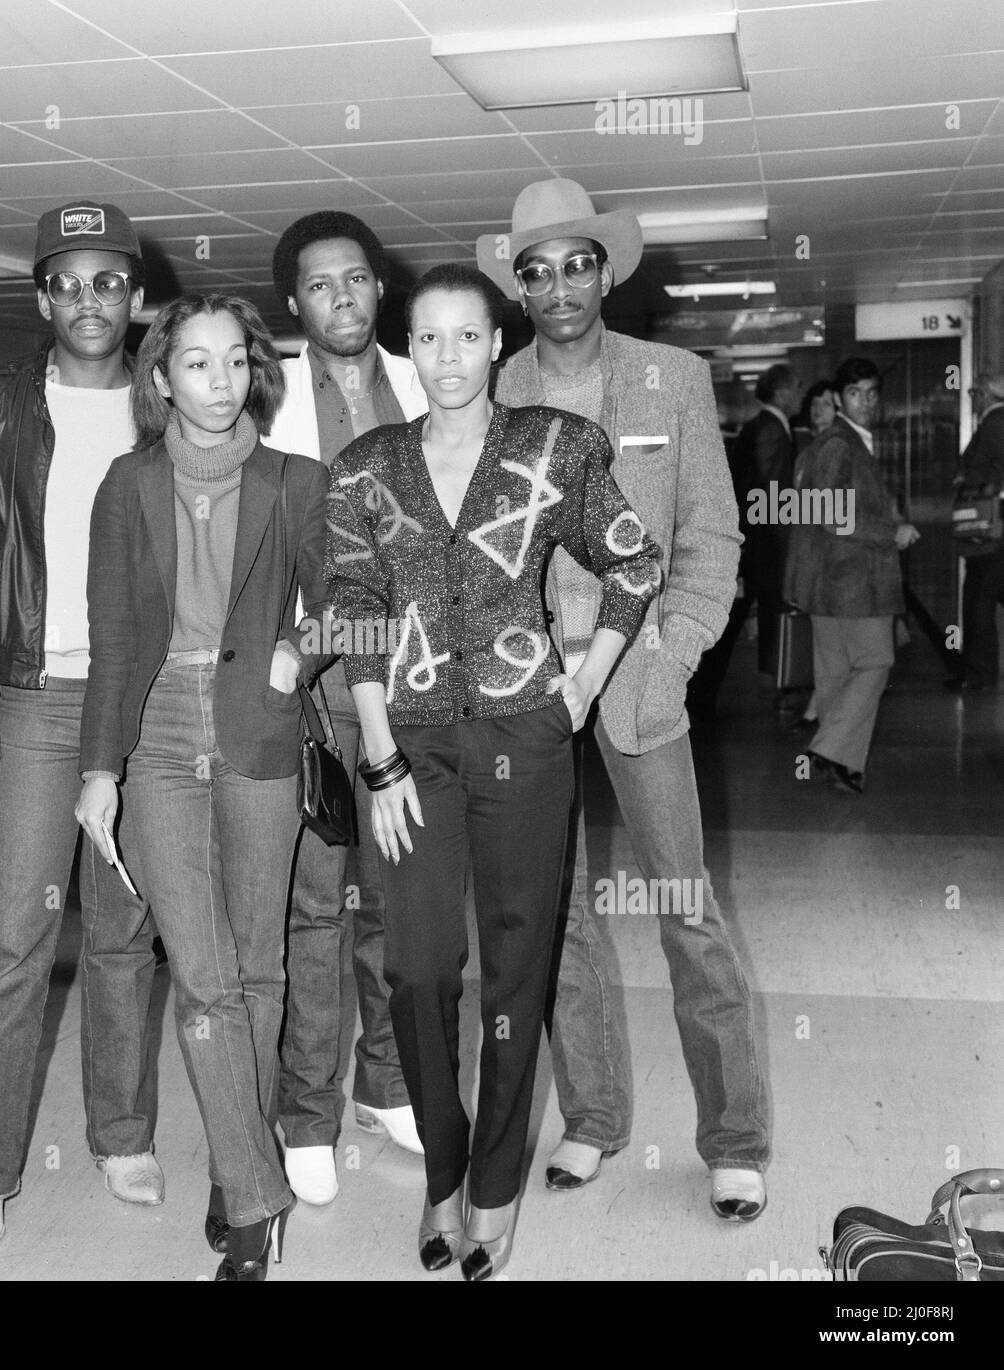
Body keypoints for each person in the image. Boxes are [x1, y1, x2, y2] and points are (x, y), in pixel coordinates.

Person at [326, 263, 662, 1279]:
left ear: (495, 339)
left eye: (466, 337)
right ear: (407, 345)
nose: (447, 359)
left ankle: (494, 1181)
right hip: (413, 745)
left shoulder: (552, 446)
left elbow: (634, 563)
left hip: (525, 734)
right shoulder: (365, 465)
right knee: (419, 968)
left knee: (516, 969)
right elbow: (352, 601)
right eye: (426, 339)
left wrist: (587, 679)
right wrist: (378, 753)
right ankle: (441, 1164)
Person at [479, 178, 772, 1222]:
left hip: (639, 677)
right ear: (516, 285)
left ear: (606, 271)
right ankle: (593, 1117)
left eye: (577, 262)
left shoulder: (673, 378)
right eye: (537, 268)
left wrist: (679, 647)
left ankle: (733, 1138)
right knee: (555, 918)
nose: (559, 285)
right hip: (527, 692)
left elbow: (712, 536)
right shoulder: (493, 387)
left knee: (683, 907)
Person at [77, 292, 331, 1280]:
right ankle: (260, 1199)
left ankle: (238, 1168)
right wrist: (100, 768)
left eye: (234, 362)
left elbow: (351, 600)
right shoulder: (125, 484)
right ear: (161, 377)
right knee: (203, 973)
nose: (218, 382)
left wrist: (294, 656)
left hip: (257, 727)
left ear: (253, 371)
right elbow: (112, 636)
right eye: (196, 363)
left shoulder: (294, 481)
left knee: (259, 967)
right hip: (155, 731)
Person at [0, 201, 161, 1256]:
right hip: (31, 695)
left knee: (125, 930)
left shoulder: (169, 400)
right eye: (65, 282)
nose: (87, 300)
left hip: (148, 699)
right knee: (14, 938)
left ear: (136, 293)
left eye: (107, 280)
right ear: (40, 297)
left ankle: (119, 1134)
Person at [265, 210, 425, 1205]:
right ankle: (305, 1113)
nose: (344, 298)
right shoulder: (266, 392)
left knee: (401, 897)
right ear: (296, 303)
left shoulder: (427, 379)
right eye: (321, 284)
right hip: (309, 681)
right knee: (314, 905)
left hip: (416, 678)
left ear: (379, 287)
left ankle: (390, 1082)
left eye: (358, 279)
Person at [784, 357, 919, 792]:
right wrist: (890, 531)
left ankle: (843, 766)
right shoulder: (842, 444)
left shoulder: (835, 443)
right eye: (856, 393)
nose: (866, 402)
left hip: (828, 583)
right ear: (840, 398)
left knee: (836, 673)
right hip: (855, 580)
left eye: (872, 392)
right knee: (877, 661)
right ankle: (828, 747)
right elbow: (830, 513)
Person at [732, 364, 801, 687]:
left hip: (759, 538)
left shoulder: (764, 426)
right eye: (796, 388)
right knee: (771, 605)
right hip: (768, 540)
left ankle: (779, 672)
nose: (799, 395)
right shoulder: (772, 430)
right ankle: (780, 675)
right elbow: (771, 491)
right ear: (782, 391)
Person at [946, 371, 1004, 692]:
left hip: (991, 530)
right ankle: (977, 671)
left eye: (972, 391)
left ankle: (978, 675)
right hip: (993, 530)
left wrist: (968, 480)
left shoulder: (995, 425)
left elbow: (987, 470)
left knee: (978, 600)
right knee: (984, 593)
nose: (970, 397)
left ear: (984, 394)